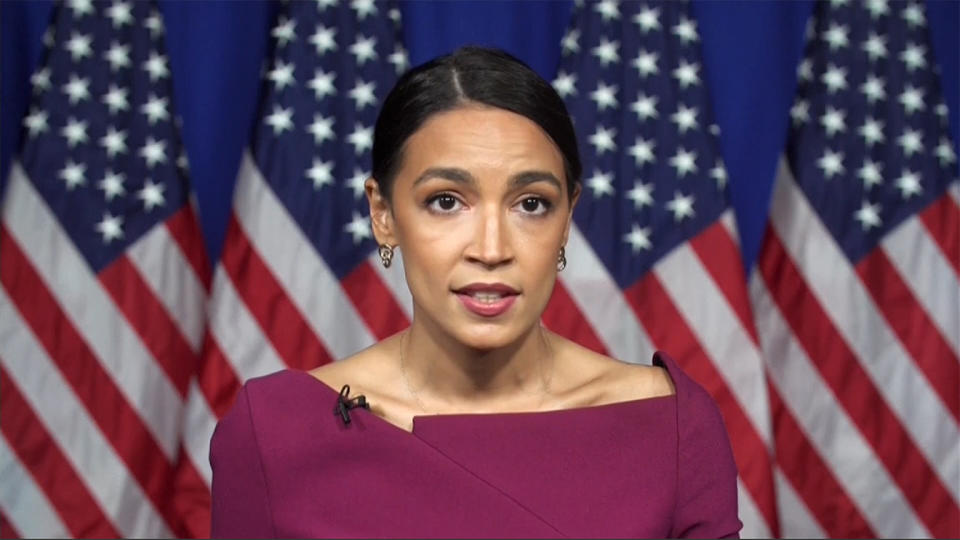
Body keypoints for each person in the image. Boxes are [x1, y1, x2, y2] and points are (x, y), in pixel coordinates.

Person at [209, 46, 741, 538]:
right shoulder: (277, 434)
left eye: (530, 204)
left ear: (567, 218)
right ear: (382, 214)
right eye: (446, 201)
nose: (490, 249)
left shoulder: (670, 428)